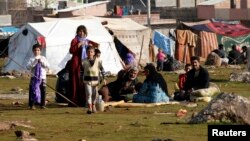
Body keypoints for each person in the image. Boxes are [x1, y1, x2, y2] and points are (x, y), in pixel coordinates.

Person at [68, 25, 89, 107]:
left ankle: (83, 100)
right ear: (77, 32)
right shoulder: (75, 40)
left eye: (83, 31)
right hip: (76, 63)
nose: (82, 33)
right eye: (80, 31)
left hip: (84, 63)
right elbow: (71, 50)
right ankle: (74, 101)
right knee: (75, 82)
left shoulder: (87, 41)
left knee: (83, 82)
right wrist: (79, 44)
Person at [82, 46, 106, 114]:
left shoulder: (98, 61)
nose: (90, 53)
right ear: (86, 53)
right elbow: (81, 71)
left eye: (91, 52)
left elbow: (102, 69)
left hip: (95, 81)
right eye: (88, 52)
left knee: (95, 95)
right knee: (89, 94)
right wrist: (81, 79)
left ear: (94, 53)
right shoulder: (84, 61)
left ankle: (93, 106)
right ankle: (89, 108)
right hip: (87, 81)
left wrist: (104, 78)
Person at [26, 43, 50, 109]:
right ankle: (32, 105)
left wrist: (42, 62)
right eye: (35, 50)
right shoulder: (31, 59)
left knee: (43, 90)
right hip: (34, 77)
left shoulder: (43, 58)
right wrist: (34, 62)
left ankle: (42, 104)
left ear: (40, 51)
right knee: (33, 90)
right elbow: (28, 67)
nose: (37, 52)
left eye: (38, 50)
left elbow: (48, 66)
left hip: (42, 77)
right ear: (33, 51)